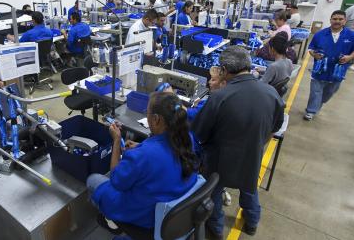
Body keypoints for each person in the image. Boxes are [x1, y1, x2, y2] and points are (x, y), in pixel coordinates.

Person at [192, 46, 285, 239]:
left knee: (214, 194)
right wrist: (257, 144)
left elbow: (200, 133)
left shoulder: (219, 97)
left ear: (224, 70)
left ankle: (216, 229)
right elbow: (275, 127)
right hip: (252, 156)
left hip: (219, 161)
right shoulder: (271, 93)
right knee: (249, 190)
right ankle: (252, 223)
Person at [87, 91, 199, 229]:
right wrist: (141, 147)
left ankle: (113, 220)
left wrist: (116, 141)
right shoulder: (187, 138)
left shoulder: (143, 155)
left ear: (156, 119)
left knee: (93, 180)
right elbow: (162, 153)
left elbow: (116, 181)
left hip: (148, 216)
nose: (147, 115)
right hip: (176, 210)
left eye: (148, 112)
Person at [303, 10, 354, 121]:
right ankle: (310, 111)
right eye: (335, 19)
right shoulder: (320, 34)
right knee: (316, 92)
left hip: (337, 72)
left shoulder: (352, 36)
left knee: (329, 93)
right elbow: (311, 49)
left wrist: (349, 58)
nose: (337, 21)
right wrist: (315, 55)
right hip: (319, 71)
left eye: (340, 19)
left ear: (345, 21)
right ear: (330, 20)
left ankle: (317, 105)